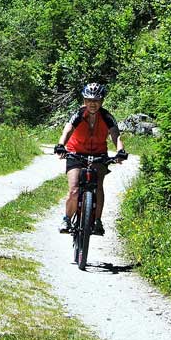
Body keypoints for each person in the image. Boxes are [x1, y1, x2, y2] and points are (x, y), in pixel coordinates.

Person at [54, 82, 125, 235]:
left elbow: (115, 135)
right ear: (84, 101)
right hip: (76, 153)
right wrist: (61, 145)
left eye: (96, 100)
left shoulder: (107, 116)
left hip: (99, 155)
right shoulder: (79, 114)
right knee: (74, 190)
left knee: (98, 187)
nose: (92, 104)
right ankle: (67, 218)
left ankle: (98, 221)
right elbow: (67, 131)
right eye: (89, 100)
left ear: (102, 101)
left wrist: (120, 151)